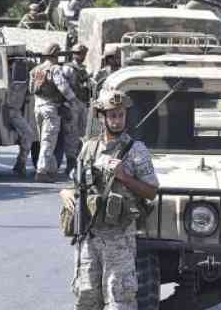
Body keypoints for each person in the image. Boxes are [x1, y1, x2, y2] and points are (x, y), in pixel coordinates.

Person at [59, 90, 159, 310]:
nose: (117, 120)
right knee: (86, 297)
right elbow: (75, 184)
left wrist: (125, 176)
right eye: (112, 115)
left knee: (119, 299)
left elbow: (151, 191)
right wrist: (65, 193)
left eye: (120, 115)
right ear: (102, 117)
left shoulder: (136, 150)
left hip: (119, 239)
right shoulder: (89, 148)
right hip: (89, 236)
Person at [29, 42, 82, 183]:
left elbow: (30, 89)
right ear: (56, 55)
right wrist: (73, 100)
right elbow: (63, 87)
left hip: (38, 106)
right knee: (48, 141)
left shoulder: (35, 70)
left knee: (45, 140)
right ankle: (41, 171)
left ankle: (50, 169)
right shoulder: (55, 69)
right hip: (51, 108)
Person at [62, 44, 92, 174]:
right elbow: (62, 87)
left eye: (83, 53)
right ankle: (70, 162)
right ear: (74, 54)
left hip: (82, 104)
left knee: (83, 134)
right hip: (72, 104)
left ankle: (80, 161)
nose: (82, 56)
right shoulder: (68, 69)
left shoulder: (83, 69)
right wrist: (66, 104)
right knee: (71, 134)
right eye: (80, 53)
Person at [7, 68, 36, 178]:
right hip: (11, 111)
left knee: (27, 133)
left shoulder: (25, 79)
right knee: (28, 134)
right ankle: (21, 163)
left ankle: (20, 164)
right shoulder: (19, 79)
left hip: (14, 111)